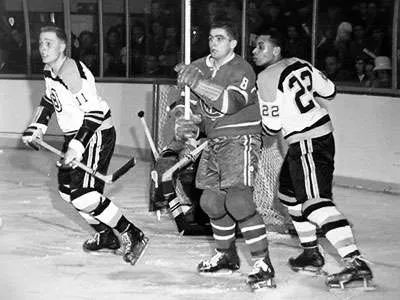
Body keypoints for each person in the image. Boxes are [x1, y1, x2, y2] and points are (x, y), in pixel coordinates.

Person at [252, 31, 373, 289]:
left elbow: (272, 128)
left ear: (276, 50)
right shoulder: (300, 62)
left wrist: (251, 128)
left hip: (307, 142)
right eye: (255, 47)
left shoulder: (265, 77)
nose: (255, 51)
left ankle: (354, 261)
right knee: (288, 194)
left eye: (261, 46)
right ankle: (311, 252)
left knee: (315, 204)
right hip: (316, 137)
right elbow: (330, 91)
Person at [21, 24, 148, 265]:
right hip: (77, 134)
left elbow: (96, 112)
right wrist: (37, 127)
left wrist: (77, 146)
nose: (43, 48)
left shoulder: (71, 73)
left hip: (95, 134)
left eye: (49, 43)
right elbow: (50, 99)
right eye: (40, 43)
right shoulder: (50, 69)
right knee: (67, 192)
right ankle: (106, 235)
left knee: (83, 195)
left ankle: (133, 233)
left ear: (63, 46)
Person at [175, 19, 275, 290]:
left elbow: (230, 103)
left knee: (239, 202)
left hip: (240, 138)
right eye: (210, 38)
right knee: (210, 203)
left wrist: (198, 83)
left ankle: (263, 263)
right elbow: (191, 110)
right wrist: (186, 124)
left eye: (220, 38)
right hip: (214, 141)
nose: (214, 43)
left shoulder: (241, 68)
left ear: (232, 43)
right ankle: (226, 255)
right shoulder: (198, 66)